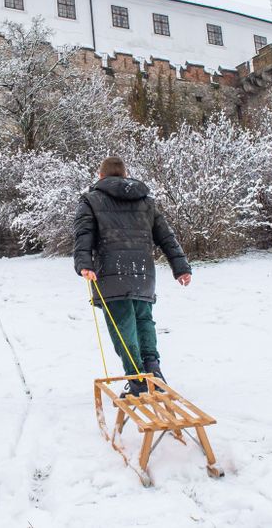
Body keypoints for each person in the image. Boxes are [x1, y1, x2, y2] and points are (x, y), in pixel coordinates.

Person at [73, 155, 191, 398]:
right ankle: (153, 371)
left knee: (122, 326)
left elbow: (83, 234)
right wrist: (181, 267)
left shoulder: (91, 200)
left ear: (101, 176)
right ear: (125, 174)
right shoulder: (146, 201)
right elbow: (166, 236)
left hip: (110, 273)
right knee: (144, 321)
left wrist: (84, 264)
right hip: (142, 273)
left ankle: (138, 380)